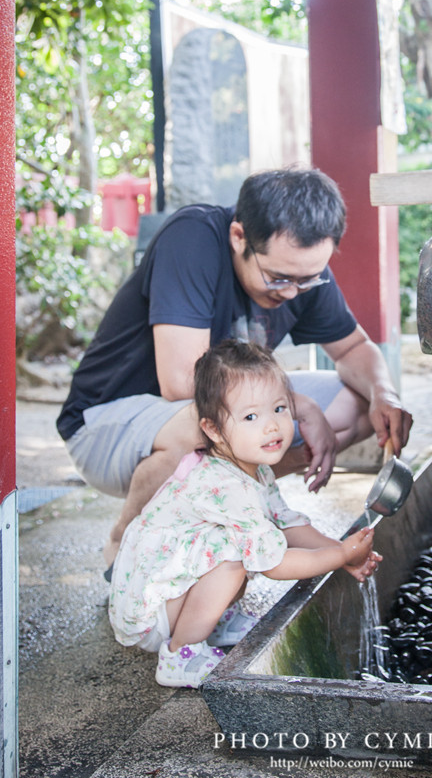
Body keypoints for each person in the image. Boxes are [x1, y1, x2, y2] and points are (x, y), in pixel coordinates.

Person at [57, 166, 412, 584]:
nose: (291, 292)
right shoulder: (193, 238)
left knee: (359, 403)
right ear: (239, 237)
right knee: (206, 425)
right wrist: (297, 406)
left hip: (201, 415)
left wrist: (386, 394)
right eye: (278, 277)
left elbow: (353, 349)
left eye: (308, 278)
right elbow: (181, 383)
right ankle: (126, 542)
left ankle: (233, 503)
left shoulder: (297, 272)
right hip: (107, 426)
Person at [108, 340, 381, 689]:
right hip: (149, 612)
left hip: (166, 592)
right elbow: (275, 562)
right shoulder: (224, 484)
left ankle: (216, 621)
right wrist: (339, 554)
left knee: (245, 537)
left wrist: (342, 554)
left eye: (280, 409)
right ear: (214, 430)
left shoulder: (253, 469)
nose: (272, 426)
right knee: (235, 550)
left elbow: (287, 523)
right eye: (251, 416)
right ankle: (180, 654)